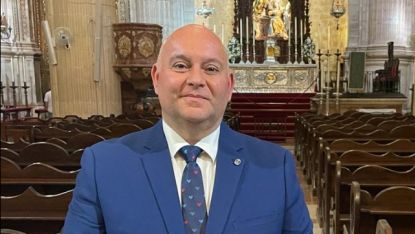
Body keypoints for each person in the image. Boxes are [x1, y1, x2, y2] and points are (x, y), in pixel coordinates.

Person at [62, 24, 313, 233]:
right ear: (157, 78)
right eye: (181, 65)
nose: (195, 79)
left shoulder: (275, 167)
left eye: (211, 69)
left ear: (229, 86)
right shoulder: (104, 165)